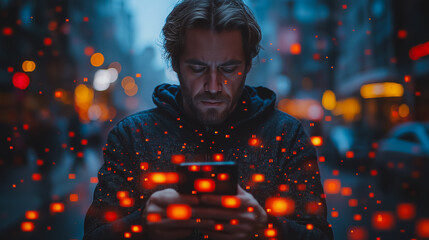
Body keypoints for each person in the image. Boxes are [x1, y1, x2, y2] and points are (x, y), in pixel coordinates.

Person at [84, 0, 334, 239]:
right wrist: (142, 225)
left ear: (248, 65)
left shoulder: (287, 136)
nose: (214, 86)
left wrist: (265, 227)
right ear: (175, 63)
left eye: (228, 69)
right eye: (197, 68)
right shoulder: (131, 137)